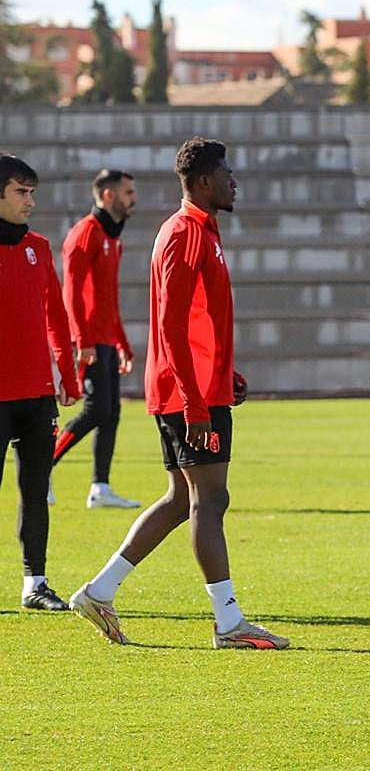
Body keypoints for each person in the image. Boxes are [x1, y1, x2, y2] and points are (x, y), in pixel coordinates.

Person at [69, 137, 288, 649]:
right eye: (227, 173)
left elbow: (198, 321)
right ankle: (229, 622)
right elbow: (168, 327)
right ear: (204, 181)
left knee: (181, 499)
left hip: (196, 387)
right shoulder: (184, 234)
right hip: (184, 394)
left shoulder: (202, 232)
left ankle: (100, 591)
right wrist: (195, 400)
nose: (234, 180)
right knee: (210, 500)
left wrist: (224, 373)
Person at [0, 154, 81, 610]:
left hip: (36, 394)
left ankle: (36, 583)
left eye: (32, 192)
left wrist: (66, 376)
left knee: (36, 491)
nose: (30, 201)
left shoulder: (39, 247)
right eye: (20, 192)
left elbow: (56, 314)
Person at [52, 168, 140, 509]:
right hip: (87, 340)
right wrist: (81, 340)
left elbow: (108, 298)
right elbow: (70, 293)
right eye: (128, 192)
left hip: (104, 340)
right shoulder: (84, 234)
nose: (133, 199)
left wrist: (122, 342)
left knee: (111, 412)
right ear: (108, 195)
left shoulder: (112, 239)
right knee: (95, 409)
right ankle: (43, 464)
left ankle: (100, 488)